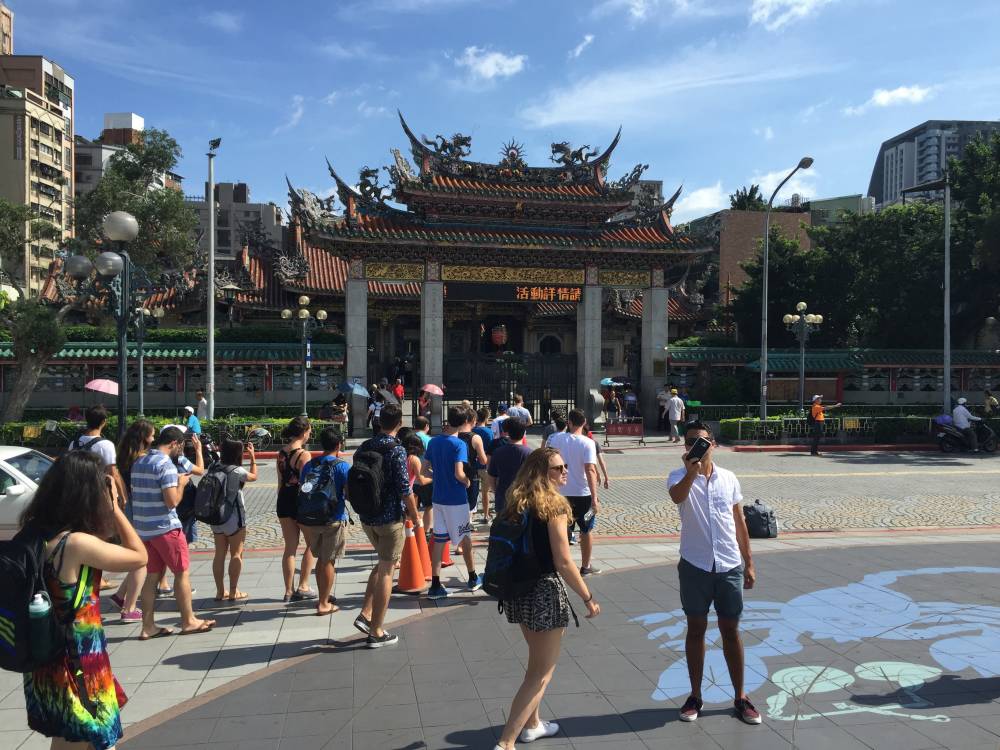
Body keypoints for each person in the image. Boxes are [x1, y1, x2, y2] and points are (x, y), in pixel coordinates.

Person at [20, 451, 148, 750]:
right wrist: (115, 507)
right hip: (78, 661)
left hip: (47, 658)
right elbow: (139, 556)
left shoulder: (36, 533)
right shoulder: (76, 544)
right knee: (84, 737)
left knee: (69, 736)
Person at [493, 447, 601, 750]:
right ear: (541, 473)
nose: (565, 471)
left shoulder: (517, 500)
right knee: (541, 674)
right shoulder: (554, 507)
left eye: (565, 466)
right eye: (557, 468)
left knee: (535, 663)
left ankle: (533, 725)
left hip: (518, 591)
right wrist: (588, 596)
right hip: (543, 593)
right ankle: (506, 742)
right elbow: (564, 562)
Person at [667, 421, 760, 725]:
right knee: (696, 629)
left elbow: (739, 522)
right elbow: (677, 497)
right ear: (685, 447)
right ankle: (695, 696)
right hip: (695, 565)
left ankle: (741, 697)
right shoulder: (678, 476)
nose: (697, 446)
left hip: (729, 565)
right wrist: (692, 471)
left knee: (731, 630)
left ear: (713, 444)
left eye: (702, 441)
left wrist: (749, 562)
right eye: (691, 441)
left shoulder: (729, 479)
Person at [131, 426, 216, 639]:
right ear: (174, 444)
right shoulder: (165, 464)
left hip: (144, 528)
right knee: (181, 573)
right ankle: (188, 621)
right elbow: (172, 501)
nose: (182, 450)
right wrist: (181, 483)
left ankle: (147, 626)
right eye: (181, 446)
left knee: (151, 577)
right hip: (166, 528)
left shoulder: (139, 461)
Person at [355, 403, 419, 647]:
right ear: (399, 423)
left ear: (379, 422)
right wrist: (414, 515)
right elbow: (405, 489)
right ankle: (377, 631)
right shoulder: (397, 450)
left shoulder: (364, 446)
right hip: (390, 518)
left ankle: (366, 614)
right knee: (387, 571)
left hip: (367, 517)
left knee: (383, 563)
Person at [424, 406, 481, 599]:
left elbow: (425, 471)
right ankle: (472, 577)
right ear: (465, 422)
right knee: (465, 536)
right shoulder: (459, 445)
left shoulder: (433, 442)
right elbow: (459, 473)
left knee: (439, 539)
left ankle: (435, 583)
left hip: (438, 497)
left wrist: (439, 476)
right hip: (456, 498)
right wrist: (466, 481)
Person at [298, 428, 349, 616]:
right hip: (333, 518)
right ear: (338, 445)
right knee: (328, 561)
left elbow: (304, 488)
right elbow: (349, 492)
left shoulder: (309, 465)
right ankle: (323, 603)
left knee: (320, 559)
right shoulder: (342, 466)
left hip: (311, 518)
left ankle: (323, 596)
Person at [546, 409, 601, 576]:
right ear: (584, 423)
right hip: (582, 493)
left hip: (560, 493)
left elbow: (546, 462)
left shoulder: (555, 439)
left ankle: (560, 564)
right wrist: (595, 498)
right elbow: (590, 469)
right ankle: (585, 566)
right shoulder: (587, 443)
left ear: (569, 422)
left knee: (560, 529)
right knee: (586, 530)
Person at [112, 419, 156, 623]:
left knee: (138, 554)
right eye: (152, 435)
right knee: (141, 558)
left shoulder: (124, 456)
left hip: (129, 507)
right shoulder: (141, 459)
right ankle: (129, 608)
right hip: (138, 510)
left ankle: (121, 596)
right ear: (144, 437)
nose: (154, 438)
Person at [276, 416, 318, 603]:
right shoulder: (304, 455)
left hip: (283, 500)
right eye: (309, 431)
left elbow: (280, 482)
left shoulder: (281, 454)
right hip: (299, 502)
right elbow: (306, 484)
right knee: (312, 544)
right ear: (303, 432)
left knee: (290, 548)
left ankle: (288, 590)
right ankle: (304, 585)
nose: (310, 434)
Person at [211, 439, 257, 603]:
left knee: (219, 554)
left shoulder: (213, 466)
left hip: (215, 516)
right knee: (236, 554)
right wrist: (252, 458)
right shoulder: (237, 470)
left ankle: (219, 592)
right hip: (233, 517)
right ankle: (233, 591)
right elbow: (254, 477)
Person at [486, 418, 532, 517]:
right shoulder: (529, 453)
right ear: (524, 432)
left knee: (503, 529)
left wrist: (496, 491)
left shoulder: (498, 452)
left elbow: (491, 477)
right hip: (523, 498)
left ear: (507, 432)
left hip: (503, 496)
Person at [458, 407, 488, 517]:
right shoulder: (475, 438)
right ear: (472, 420)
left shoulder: (454, 435)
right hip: (470, 473)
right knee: (469, 503)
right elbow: (484, 460)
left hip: (455, 473)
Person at [473, 407, 494, 521]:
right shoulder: (488, 432)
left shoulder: (472, 430)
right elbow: (491, 449)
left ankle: (471, 515)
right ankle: (486, 514)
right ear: (486, 418)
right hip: (485, 465)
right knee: (485, 492)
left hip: (474, 464)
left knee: (473, 492)